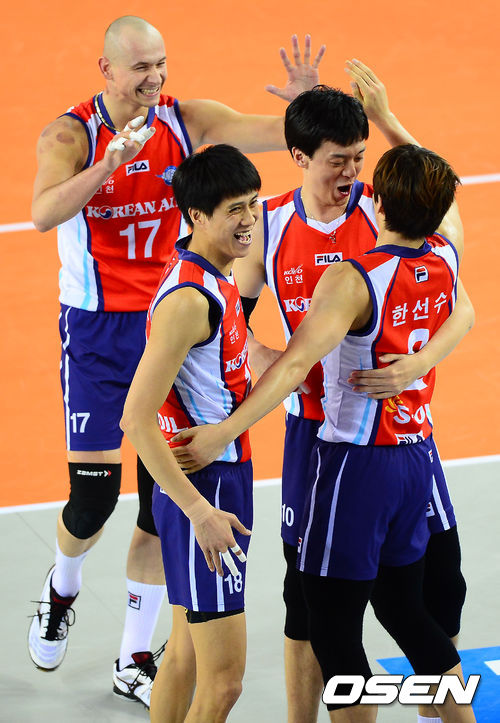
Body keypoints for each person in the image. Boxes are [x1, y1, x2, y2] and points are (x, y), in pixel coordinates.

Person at [27, 13, 325, 707]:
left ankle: (134, 654)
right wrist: (108, 165)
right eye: (141, 67)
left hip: (174, 321)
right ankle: (63, 587)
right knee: (94, 497)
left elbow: (276, 136)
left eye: (161, 63)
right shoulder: (72, 135)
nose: (155, 77)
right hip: (98, 331)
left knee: (160, 506)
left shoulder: (185, 121)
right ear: (106, 70)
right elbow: (42, 213)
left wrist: (305, 107)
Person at [193, 61, 473, 723]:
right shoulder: (268, 226)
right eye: (338, 160)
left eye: (360, 158)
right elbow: (234, 322)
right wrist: (257, 353)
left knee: (438, 586)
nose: (352, 172)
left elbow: (461, 306)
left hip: (396, 434)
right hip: (317, 438)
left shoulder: (386, 215)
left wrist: (415, 364)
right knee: (311, 604)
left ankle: (435, 705)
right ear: (299, 157)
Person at [120, 143, 260, 722]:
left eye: (252, 203)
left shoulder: (211, 271)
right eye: (234, 209)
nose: (249, 218)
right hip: (209, 490)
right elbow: (135, 418)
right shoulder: (188, 300)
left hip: (216, 479)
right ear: (197, 216)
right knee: (224, 682)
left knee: (182, 656)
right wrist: (201, 512)